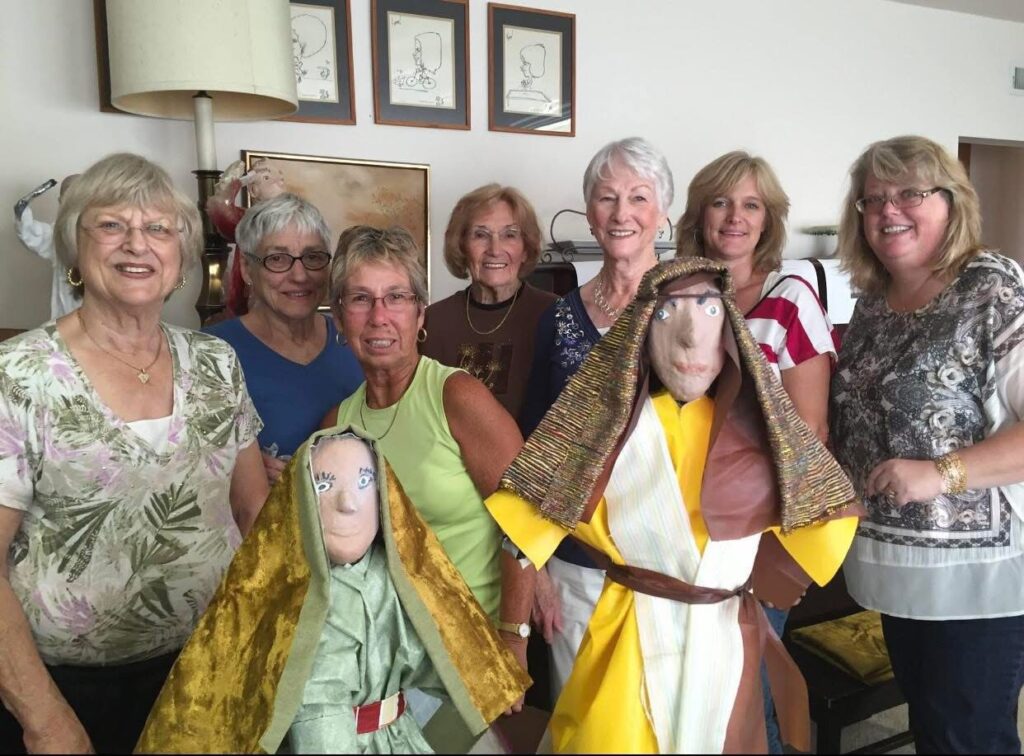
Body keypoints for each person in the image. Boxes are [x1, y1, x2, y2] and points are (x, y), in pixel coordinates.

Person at [488, 257, 861, 753]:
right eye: (668, 314)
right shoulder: (601, 429)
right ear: (642, 328)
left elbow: (828, 510)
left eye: (709, 314)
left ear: (731, 332)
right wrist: (512, 630)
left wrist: (758, 578)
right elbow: (524, 515)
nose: (690, 337)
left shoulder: (762, 429)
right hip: (630, 634)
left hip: (722, 632)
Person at [0, 152, 268, 754]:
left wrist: (260, 653)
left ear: (180, 259)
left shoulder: (214, 363)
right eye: (112, 224)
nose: (136, 244)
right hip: (66, 689)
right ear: (75, 245)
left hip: (207, 668)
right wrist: (44, 718)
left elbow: (255, 514)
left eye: (158, 228)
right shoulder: (18, 376)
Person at [136, 428, 530, 754]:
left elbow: (425, 651)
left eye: (364, 482)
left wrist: (478, 673)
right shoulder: (306, 599)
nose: (347, 502)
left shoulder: (396, 575)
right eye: (325, 484)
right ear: (302, 500)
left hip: (398, 736)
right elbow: (317, 707)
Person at [830, 135, 1024, 754]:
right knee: (934, 733)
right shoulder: (871, 302)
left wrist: (943, 473)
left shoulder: (991, 288)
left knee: (968, 739)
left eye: (911, 193)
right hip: (896, 572)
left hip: (974, 578)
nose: (889, 210)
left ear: (951, 201)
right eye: (874, 199)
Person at [320, 225, 534, 700]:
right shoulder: (338, 423)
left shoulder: (456, 396)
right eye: (360, 299)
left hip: (470, 647)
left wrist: (511, 639)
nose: (379, 317)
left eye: (396, 297)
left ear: (420, 313)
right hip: (383, 660)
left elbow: (525, 519)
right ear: (339, 317)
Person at [676, 150, 838, 752]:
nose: (735, 217)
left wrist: (762, 545)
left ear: (769, 219)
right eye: (720, 202)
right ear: (700, 214)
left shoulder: (789, 298)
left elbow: (811, 436)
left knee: (750, 695)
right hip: (685, 534)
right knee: (697, 692)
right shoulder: (680, 296)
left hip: (760, 536)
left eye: (751, 205)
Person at [520, 136, 674, 700]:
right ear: (589, 213)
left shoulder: (695, 308)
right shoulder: (558, 318)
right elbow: (538, 451)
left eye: (639, 197)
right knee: (581, 719)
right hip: (577, 563)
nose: (622, 213)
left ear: (663, 212)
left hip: (669, 562)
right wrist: (534, 565)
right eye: (607, 198)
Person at [205, 193, 362, 484]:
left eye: (313, 257)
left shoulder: (356, 342)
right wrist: (237, 469)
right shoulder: (212, 353)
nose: (300, 275)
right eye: (277, 259)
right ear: (247, 270)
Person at [421, 184, 556, 420]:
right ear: (461, 246)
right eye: (480, 235)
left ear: (526, 248)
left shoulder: (555, 316)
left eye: (509, 235)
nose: (495, 249)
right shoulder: (432, 322)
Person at [14, 174, 81, 319]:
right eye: (69, 197)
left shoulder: (105, 230)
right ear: (60, 202)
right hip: (66, 301)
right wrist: (22, 213)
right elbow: (32, 233)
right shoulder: (55, 234)